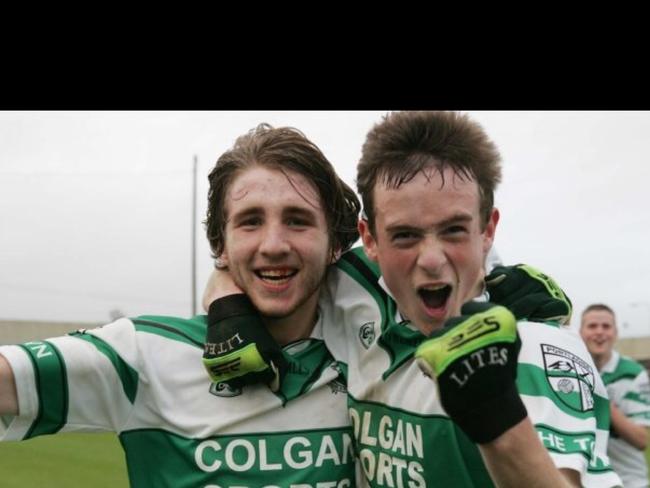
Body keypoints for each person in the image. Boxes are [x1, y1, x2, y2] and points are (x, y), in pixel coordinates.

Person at [203, 111, 622, 487]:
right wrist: (226, 304)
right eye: (405, 235)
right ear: (370, 240)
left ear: (488, 229)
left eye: (454, 230)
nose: (432, 260)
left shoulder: (535, 349)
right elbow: (260, 257)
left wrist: (499, 420)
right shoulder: (355, 293)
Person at [0, 124, 361, 487]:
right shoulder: (145, 355)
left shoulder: (372, 348)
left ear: (334, 243)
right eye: (250, 222)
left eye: (297, 221)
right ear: (221, 245)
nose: (273, 244)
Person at [580, 303, 650, 488]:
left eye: (606, 326)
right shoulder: (571, 371)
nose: (600, 332)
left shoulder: (633, 373)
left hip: (628, 481)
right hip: (585, 482)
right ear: (580, 332)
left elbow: (641, 440)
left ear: (615, 333)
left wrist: (600, 398)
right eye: (592, 326)